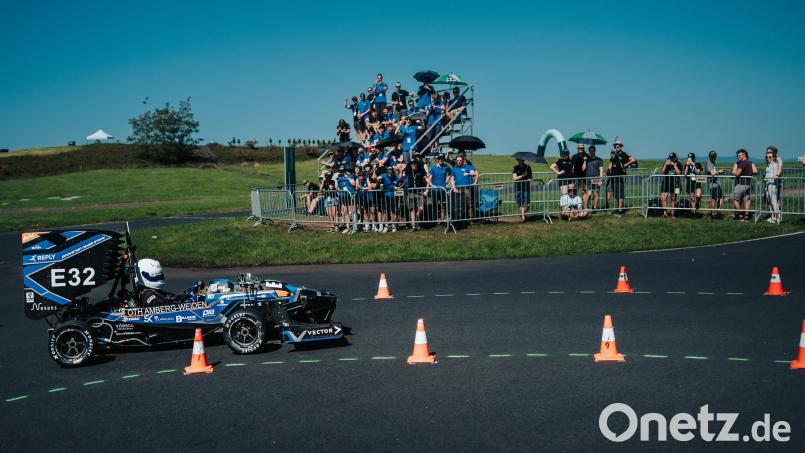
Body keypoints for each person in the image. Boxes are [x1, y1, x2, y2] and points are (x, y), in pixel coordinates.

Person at [607, 137, 636, 215]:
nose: (617, 147)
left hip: (620, 176)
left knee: (620, 193)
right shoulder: (613, 155)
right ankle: (619, 208)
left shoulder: (623, 154)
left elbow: (633, 159)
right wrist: (609, 167)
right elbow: (610, 164)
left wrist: (624, 165)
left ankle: (620, 210)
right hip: (613, 176)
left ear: (620, 146)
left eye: (618, 146)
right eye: (615, 145)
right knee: (616, 194)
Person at [448, 154, 478, 219]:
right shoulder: (453, 169)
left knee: (469, 204)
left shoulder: (468, 167)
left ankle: (471, 219)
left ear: (463, 161)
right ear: (456, 161)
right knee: (460, 205)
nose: (459, 161)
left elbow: (474, 173)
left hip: (467, 188)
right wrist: (454, 188)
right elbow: (452, 179)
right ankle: (461, 218)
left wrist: (468, 173)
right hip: (458, 189)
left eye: (460, 160)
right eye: (457, 160)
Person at [731, 148, 758, 221]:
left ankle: (740, 214)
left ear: (744, 155)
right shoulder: (750, 162)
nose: (738, 156)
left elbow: (737, 173)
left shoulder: (742, 162)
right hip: (749, 183)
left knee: (734, 199)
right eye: (737, 155)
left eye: (739, 155)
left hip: (742, 183)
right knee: (747, 199)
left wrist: (733, 172)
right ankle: (746, 216)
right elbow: (756, 171)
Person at [426, 154, 451, 222]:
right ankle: (435, 219)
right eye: (439, 159)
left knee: (444, 205)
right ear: (437, 159)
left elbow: (450, 173)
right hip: (435, 190)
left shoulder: (446, 167)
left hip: (443, 190)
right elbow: (429, 179)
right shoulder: (433, 168)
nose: (441, 160)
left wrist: (447, 181)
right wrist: (430, 186)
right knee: (435, 205)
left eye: (442, 159)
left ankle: (442, 220)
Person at [404, 159, 428, 230]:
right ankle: (413, 225)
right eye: (411, 163)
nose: (413, 165)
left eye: (414, 163)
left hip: (420, 192)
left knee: (421, 208)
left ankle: (416, 221)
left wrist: (427, 189)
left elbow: (427, 179)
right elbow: (402, 176)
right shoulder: (408, 170)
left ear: (416, 164)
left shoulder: (421, 170)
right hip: (411, 191)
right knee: (412, 209)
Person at [660, 153, 682, 217]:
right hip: (666, 182)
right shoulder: (666, 164)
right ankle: (665, 213)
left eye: (672, 158)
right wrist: (665, 165)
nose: (671, 159)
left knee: (673, 198)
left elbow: (679, 173)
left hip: (676, 183)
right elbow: (662, 172)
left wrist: (674, 166)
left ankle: (673, 213)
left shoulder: (679, 164)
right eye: (670, 158)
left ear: (675, 158)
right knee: (663, 198)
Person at [705, 150, 727, 218]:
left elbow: (713, 172)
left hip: (715, 183)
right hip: (712, 183)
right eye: (712, 156)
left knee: (719, 197)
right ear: (709, 156)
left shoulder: (712, 162)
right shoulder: (710, 163)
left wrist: (719, 172)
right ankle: (713, 213)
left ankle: (715, 211)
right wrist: (719, 171)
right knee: (714, 199)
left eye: (714, 156)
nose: (713, 157)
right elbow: (712, 173)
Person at [379, 166, 401, 232]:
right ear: (387, 170)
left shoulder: (396, 176)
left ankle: (394, 225)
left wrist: (398, 187)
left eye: (391, 170)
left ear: (392, 170)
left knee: (393, 211)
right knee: (385, 211)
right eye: (388, 170)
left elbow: (401, 181)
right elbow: (375, 178)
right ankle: (386, 226)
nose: (389, 171)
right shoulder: (383, 175)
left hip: (394, 196)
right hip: (385, 196)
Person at [583, 145, 604, 210]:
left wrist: (600, 179)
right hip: (588, 179)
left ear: (595, 151)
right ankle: (586, 208)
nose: (591, 152)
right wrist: (584, 161)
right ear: (589, 151)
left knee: (596, 193)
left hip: (596, 179)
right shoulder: (587, 159)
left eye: (592, 151)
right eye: (590, 151)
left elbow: (601, 170)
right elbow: (583, 169)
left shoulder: (599, 160)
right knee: (588, 194)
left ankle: (594, 208)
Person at [512, 157, 533, 222]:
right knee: (520, 202)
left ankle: (523, 214)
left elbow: (530, 177)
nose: (521, 161)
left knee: (527, 203)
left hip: (526, 187)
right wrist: (522, 175)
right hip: (518, 188)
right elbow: (514, 178)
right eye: (520, 160)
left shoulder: (528, 167)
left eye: (522, 160)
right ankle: (523, 216)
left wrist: (529, 178)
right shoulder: (515, 168)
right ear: (517, 160)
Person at [764, 149, 781, 224]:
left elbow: (776, 175)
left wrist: (776, 176)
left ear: (774, 158)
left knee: (774, 202)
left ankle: (777, 218)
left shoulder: (775, 165)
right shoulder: (768, 166)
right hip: (767, 184)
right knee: (769, 202)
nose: (768, 159)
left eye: (770, 157)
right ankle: (773, 217)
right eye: (767, 157)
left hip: (773, 185)